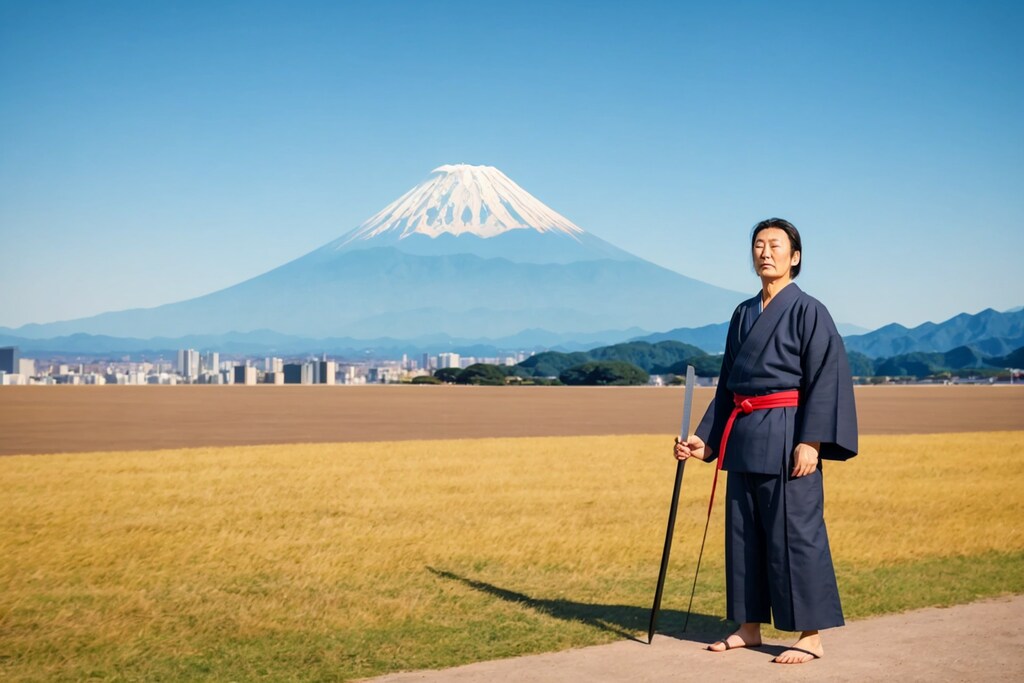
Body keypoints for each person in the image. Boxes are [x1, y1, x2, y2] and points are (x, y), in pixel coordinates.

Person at [673, 217, 858, 665]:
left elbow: (826, 378)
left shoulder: (809, 310)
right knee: (744, 535)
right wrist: (705, 439)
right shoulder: (742, 313)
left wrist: (812, 441)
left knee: (796, 533)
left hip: (789, 431)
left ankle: (810, 635)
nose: (765, 252)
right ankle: (748, 628)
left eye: (775, 245)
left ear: (794, 257)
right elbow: (728, 385)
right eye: (758, 245)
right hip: (742, 432)